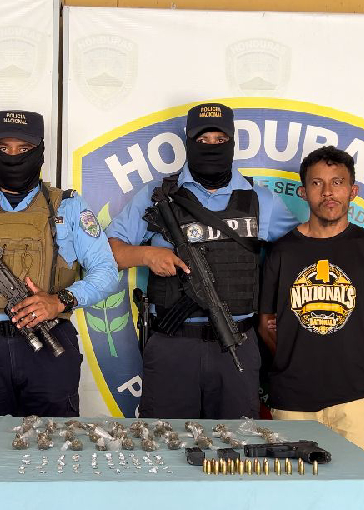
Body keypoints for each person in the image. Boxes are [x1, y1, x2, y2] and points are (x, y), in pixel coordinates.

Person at [106, 103, 300, 419]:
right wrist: (146, 254)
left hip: (237, 341)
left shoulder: (261, 200)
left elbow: (300, 253)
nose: (211, 146)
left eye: (219, 140)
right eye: (203, 140)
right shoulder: (157, 195)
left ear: (232, 142)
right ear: (188, 142)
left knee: (238, 442)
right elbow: (108, 253)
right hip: (173, 344)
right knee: (166, 442)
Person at [0, 110, 117, 417]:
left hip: (49, 341)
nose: (13, 156)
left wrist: (59, 301)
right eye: (4, 148)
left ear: (40, 151)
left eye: (24, 148)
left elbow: (106, 272)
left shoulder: (67, 205)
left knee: (52, 438)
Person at [257, 146, 364, 455]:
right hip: (293, 401)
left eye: (337, 182)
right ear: (303, 192)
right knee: (295, 485)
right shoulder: (282, 252)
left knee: (358, 484)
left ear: (353, 191)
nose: (328, 192)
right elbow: (266, 324)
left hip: (356, 403)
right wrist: (293, 362)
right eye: (317, 183)